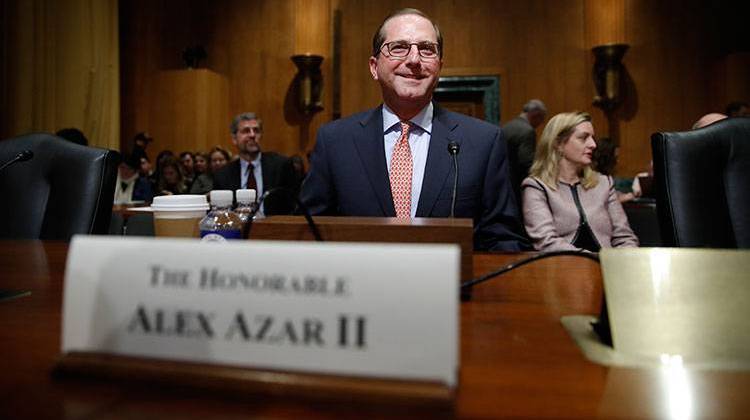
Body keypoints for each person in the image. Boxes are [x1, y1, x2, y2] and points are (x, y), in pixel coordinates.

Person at [300, 8, 526, 251]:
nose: (414, 60)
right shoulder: (335, 141)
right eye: (399, 47)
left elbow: (503, 238)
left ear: (439, 67)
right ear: (374, 66)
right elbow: (307, 231)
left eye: (427, 49)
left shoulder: (484, 141)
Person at [521, 111, 638, 251]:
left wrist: (624, 262)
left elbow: (624, 237)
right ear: (558, 144)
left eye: (593, 138)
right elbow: (546, 242)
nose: (593, 144)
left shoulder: (604, 183)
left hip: (608, 268)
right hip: (562, 268)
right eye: (583, 138)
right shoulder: (536, 187)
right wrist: (592, 260)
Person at [213, 113, 298, 215]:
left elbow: (294, 206)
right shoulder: (223, 175)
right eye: (246, 131)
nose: (252, 135)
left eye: (256, 131)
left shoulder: (281, 165)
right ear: (234, 139)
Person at [502, 99, 547, 202]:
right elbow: (526, 161)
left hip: (504, 180)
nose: (541, 123)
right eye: (542, 118)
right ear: (535, 114)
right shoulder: (528, 131)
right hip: (516, 183)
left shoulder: (507, 126)